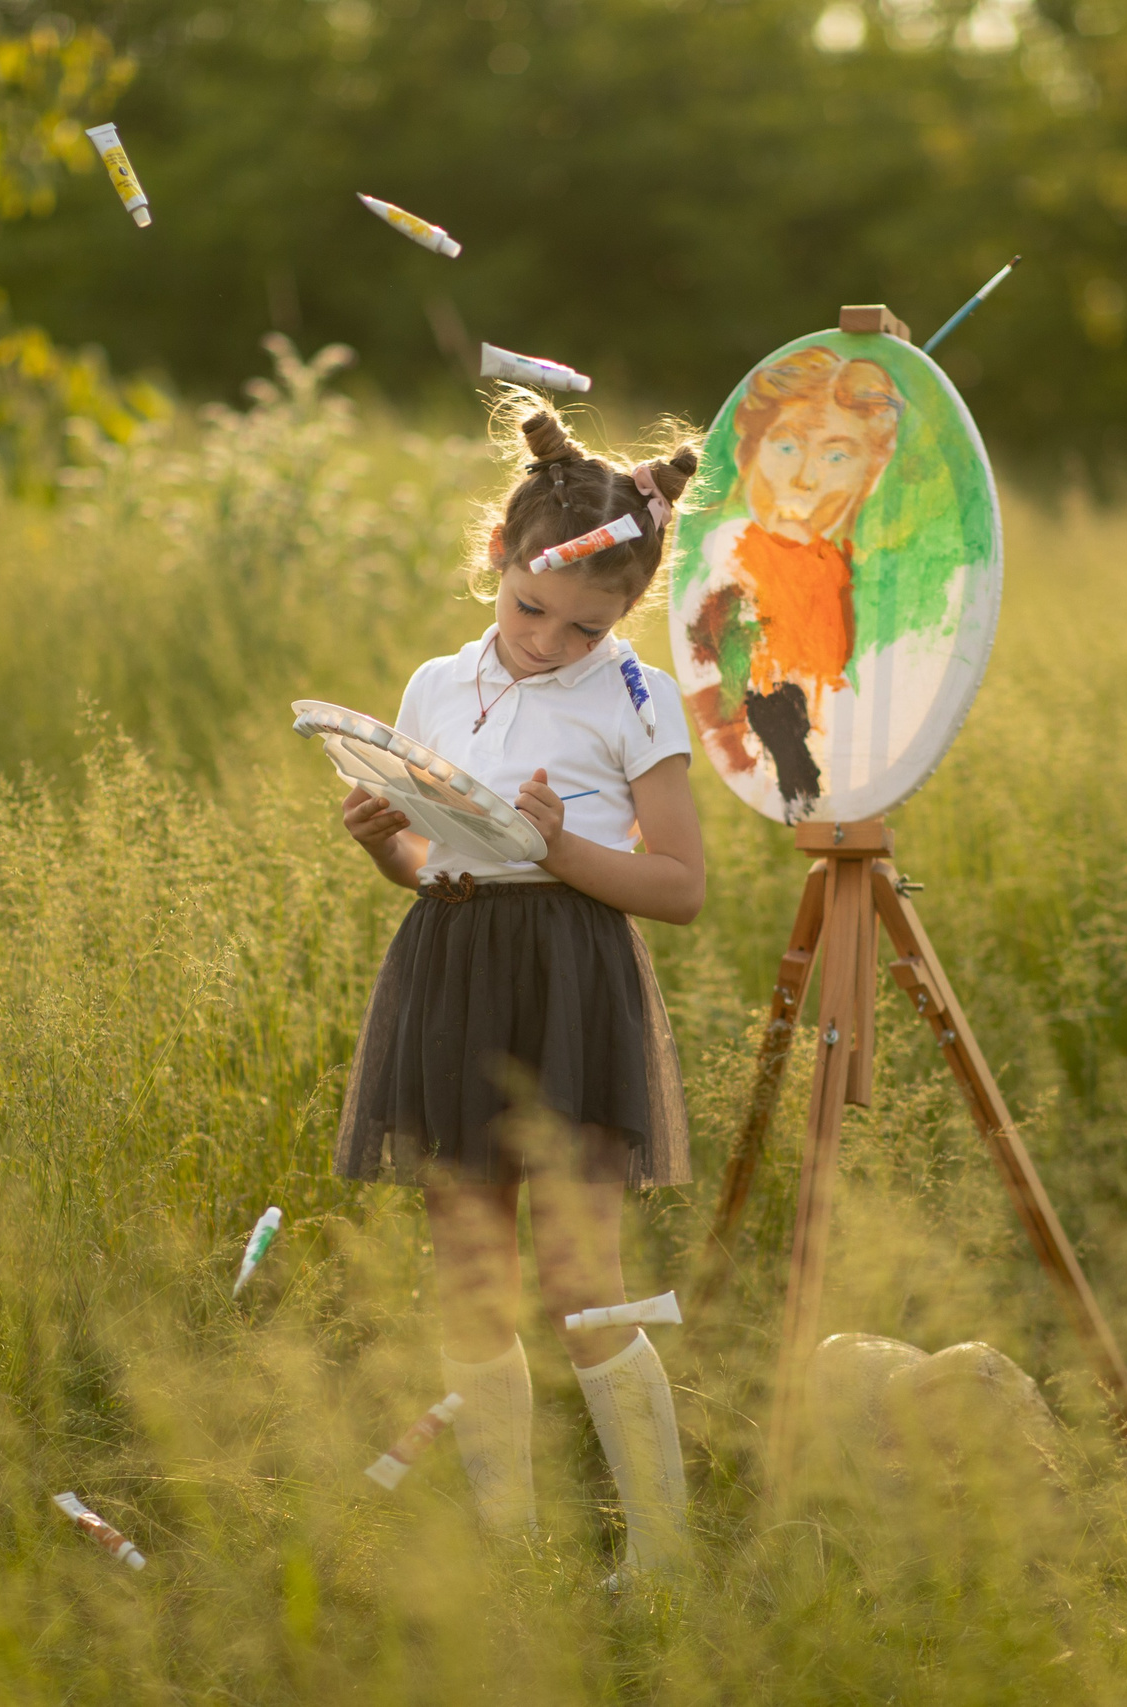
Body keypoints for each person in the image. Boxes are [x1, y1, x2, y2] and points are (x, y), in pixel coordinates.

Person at [335, 401, 705, 1584]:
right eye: (527, 608)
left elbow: (679, 886)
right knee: (470, 1272)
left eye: (581, 626)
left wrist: (554, 851)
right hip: (449, 967)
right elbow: (428, 862)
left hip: (569, 978)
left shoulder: (635, 698)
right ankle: (515, 1552)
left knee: (578, 1277)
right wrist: (380, 843)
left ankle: (661, 1556)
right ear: (497, 560)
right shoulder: (437, 682)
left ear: (626, 613)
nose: (547, 641)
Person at [679, 346, 903, 819]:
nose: (804, 478)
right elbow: (722, 718)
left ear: (871, 474)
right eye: (786, 445)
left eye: (837, 454)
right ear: (749, 451)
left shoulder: (845, 575)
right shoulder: (720, 572)